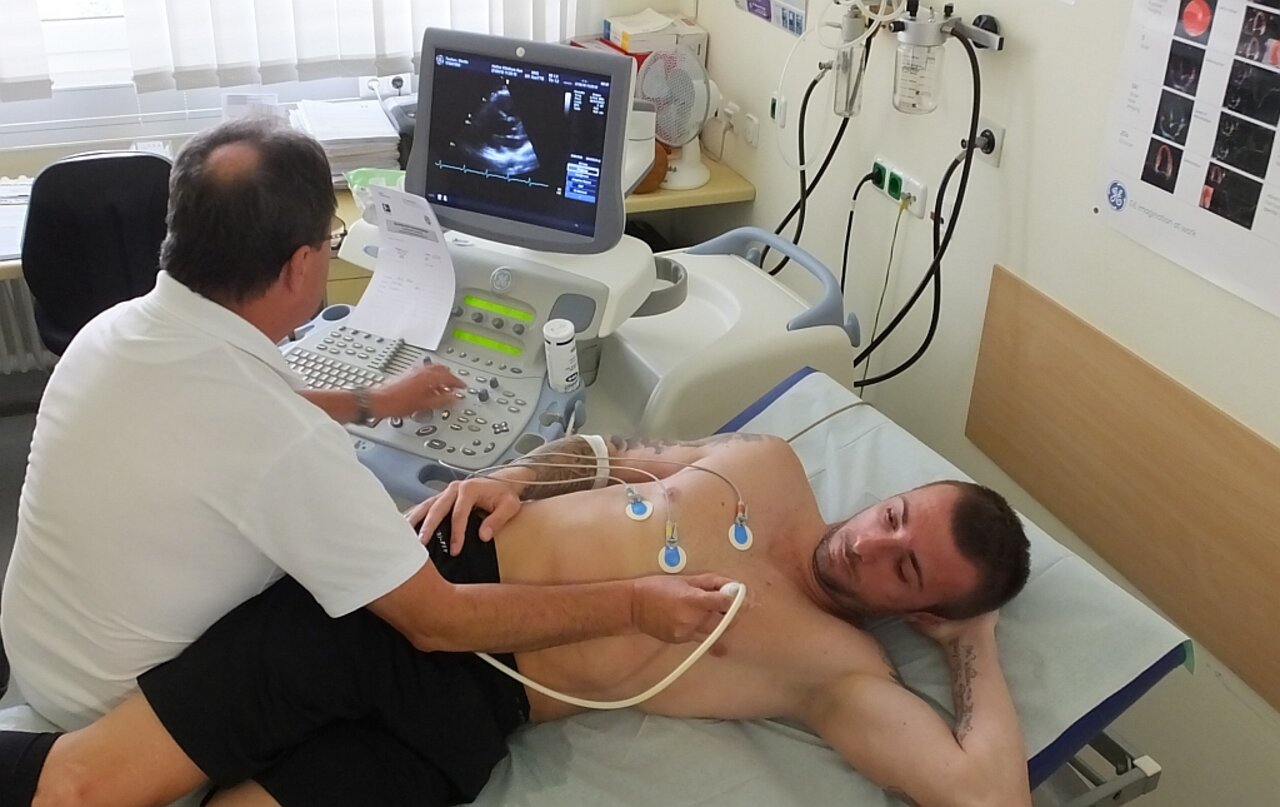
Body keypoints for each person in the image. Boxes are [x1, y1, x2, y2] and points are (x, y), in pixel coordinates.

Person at [0, 119, 737, 799]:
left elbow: (237, 411)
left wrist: (372, 402)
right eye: (331, 240)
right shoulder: (282, 443)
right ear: (301, 265)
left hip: (47, 656)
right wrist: (634, 603)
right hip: (129, 711)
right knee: (364, 649)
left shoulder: (116, 330)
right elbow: (438, 622)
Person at [4, 431, 1033, 807]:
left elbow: (984, 795)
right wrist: (521, 475)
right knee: (85, 786)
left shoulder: (838, 669)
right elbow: (616, 453)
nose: (868, 544)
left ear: (922, 608)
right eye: (894, 517)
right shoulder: (767, 465)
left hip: (469, 718)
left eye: (905, 569)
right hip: (412, 592)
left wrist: (972, 641)